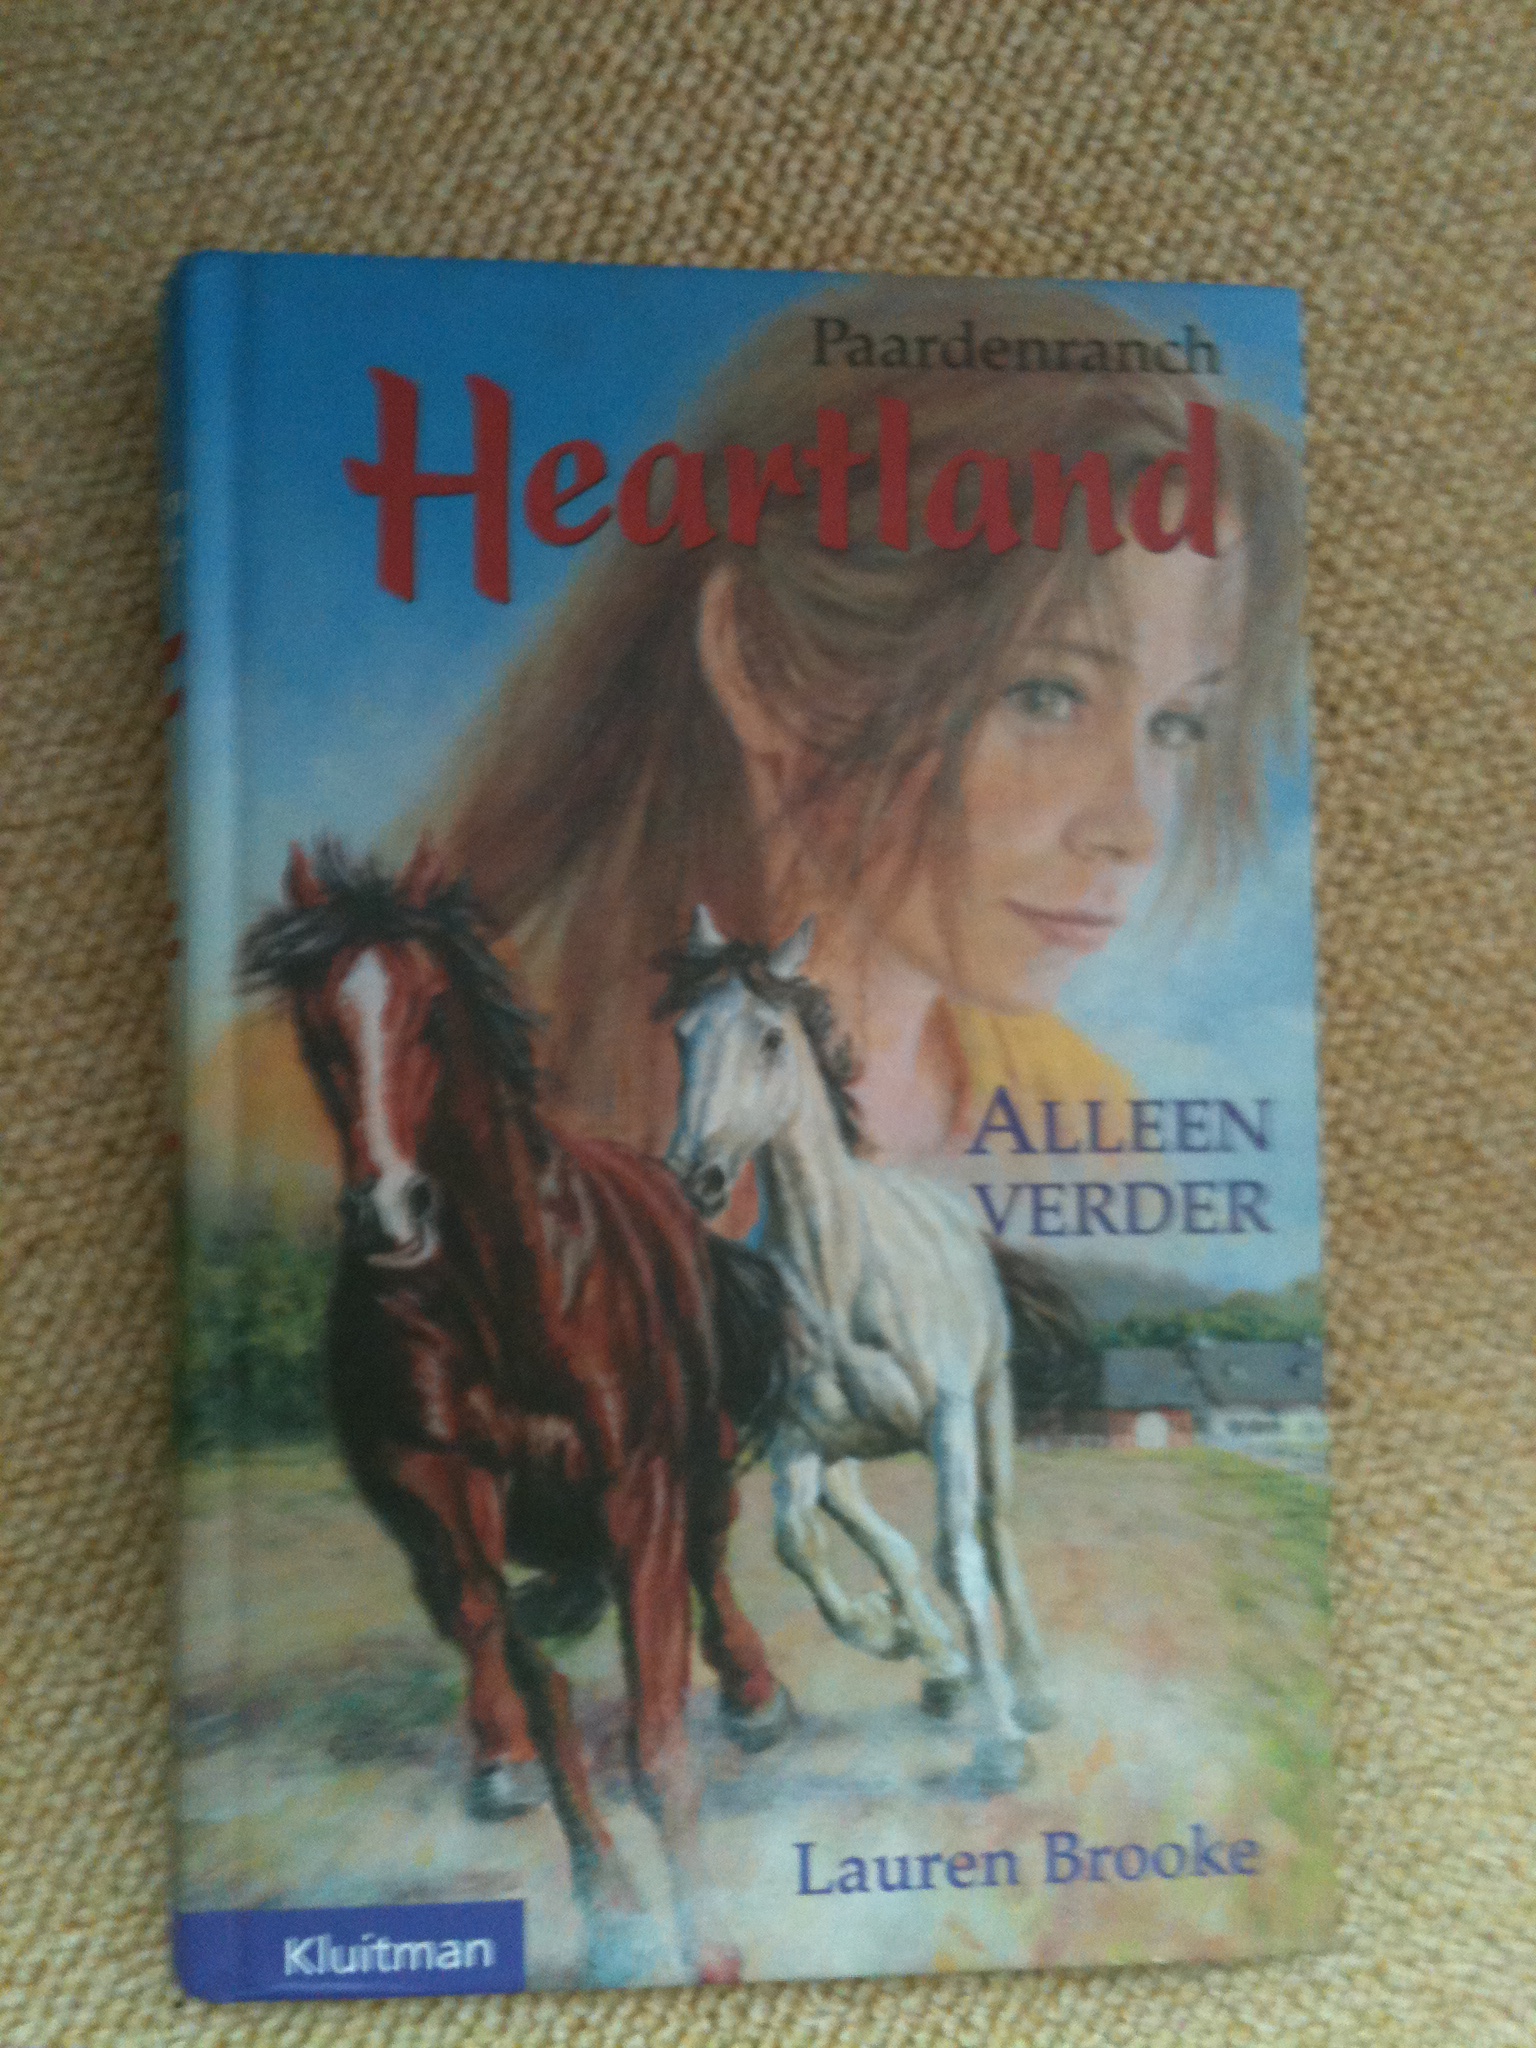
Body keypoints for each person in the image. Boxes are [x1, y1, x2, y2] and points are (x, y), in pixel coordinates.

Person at [438, 280, 1303, 1177]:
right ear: (758, 661)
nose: (1135, 831)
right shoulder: (423, 1083)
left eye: (1178, 725)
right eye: (1045, 696)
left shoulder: (1091, 1134)